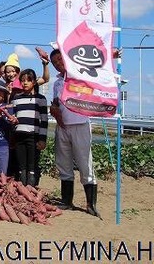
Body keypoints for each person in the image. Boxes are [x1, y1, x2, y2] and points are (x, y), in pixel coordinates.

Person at [49, 49, 99, 217]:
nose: (57, 63)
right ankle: (67, 201)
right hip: (62, 126)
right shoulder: (57, 83)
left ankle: (90, 204)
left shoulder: (80, 76)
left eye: (59, 59)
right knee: (63, 163)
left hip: (80, 124)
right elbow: (56, 101)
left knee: (85, 164)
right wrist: (54, 108)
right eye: (54, 62)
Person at [10, 69, 48, 186]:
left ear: (34, 82)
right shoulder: (16, 98)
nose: (25, 83)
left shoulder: (40, 99)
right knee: (21, 166)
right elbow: (13, 116)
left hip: (33, 136)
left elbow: (44, 120)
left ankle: (31, 190)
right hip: (19, 136)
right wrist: (12, 121)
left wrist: (42, 139)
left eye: (28, 80)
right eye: (23, 80)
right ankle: (22, 192)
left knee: (32, 166)